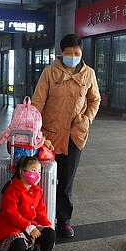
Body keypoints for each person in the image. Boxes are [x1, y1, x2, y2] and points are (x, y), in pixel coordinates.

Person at [32, 33, 101, 238]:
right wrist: (34, 129)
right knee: (43, 178)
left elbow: (94, 100)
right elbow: (38, 102)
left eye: (76, 53)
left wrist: (87, 119)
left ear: (81, 53)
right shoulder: (49, 72)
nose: (73, 56)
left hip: (74, 136)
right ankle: (42, 219)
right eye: (69, 53)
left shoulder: (88, 74)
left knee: (66, 180)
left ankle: (63, 221)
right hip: (49, 136)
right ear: (61, 53)